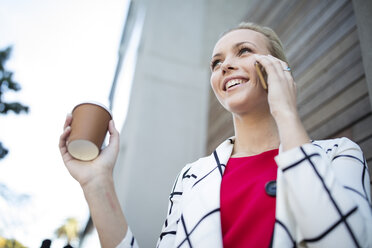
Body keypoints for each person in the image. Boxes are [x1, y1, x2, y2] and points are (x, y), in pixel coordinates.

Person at [59, 22, 372, 248]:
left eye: (244, 51)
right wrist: (97, 183)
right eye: (216, 63)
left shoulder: (339, 155)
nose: (226, 66)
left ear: (278, 67)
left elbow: (345, 239)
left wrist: (286, 112)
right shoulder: (192, 177)